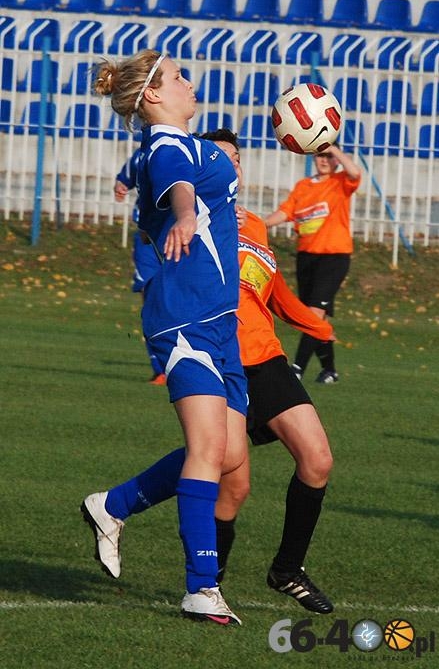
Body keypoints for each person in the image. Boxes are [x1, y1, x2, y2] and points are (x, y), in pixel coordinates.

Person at [82, 128, 335, 616]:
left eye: (236, 158)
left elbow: (270, 292)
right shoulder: (200, 220)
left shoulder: (255, 227)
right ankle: (204, 583)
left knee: (314, 459)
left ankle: (285, 570)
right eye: (221, 159)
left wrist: (314, 324)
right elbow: (163, 193)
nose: (232, 165)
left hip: (265, 360)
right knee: (227, 473)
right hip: (218, 353)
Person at [82, 52, 249, 626]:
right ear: (152, 96)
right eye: (178, 76)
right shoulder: (165, 146)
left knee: (228, 457)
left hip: (219, 321)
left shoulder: (193, 143)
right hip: (185, 320)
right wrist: (182, 213)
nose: (189, 82)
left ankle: (114, 504)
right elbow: (178, 186)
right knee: (208, 452)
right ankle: (201, 589)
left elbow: (201, 185)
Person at [265, 144, 361, 384]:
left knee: (312, 314)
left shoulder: (340, 182)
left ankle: (296, 369)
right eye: (321, 155)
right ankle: (329, 370)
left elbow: (355, 172)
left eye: (329, 156)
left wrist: (332, 146)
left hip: (334, 257)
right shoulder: (303, 186)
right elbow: (285, 213)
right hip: (307, 258)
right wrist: (257, 223)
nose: (325, 159)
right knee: (317, 319)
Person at [114, 148, 166, 385]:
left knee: (178, 300)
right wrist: (121, 186)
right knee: (150, 298)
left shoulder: (188, 152)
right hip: (147, 238)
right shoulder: (143, 154)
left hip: (178, 235)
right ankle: (160, 368)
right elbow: (125, 178)